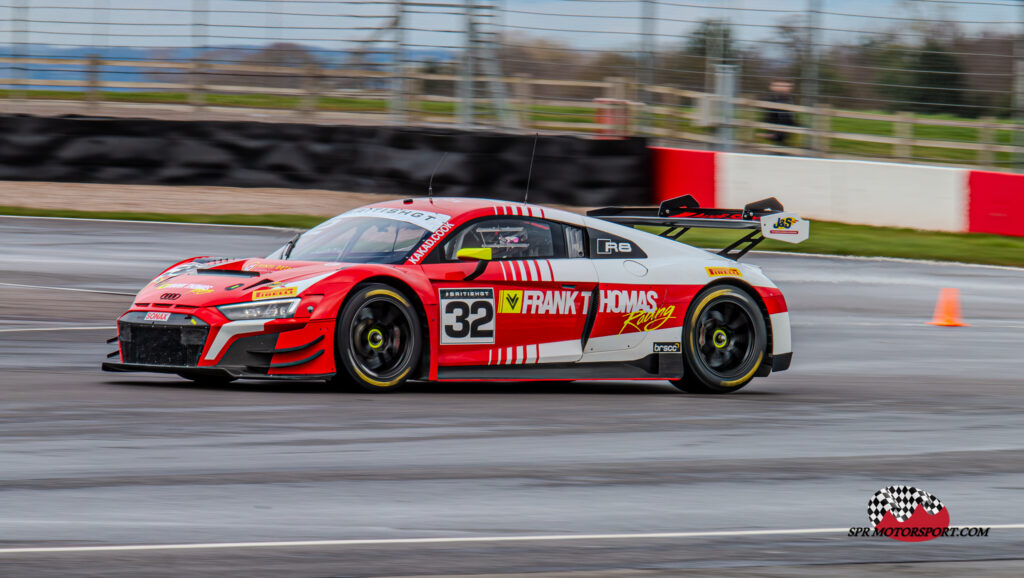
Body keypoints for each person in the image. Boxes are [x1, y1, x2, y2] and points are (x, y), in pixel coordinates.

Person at [762, 80, 798, 147]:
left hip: (783, 124)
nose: (789, 88)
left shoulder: (787, 99)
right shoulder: (775, 98)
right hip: (778, 124)